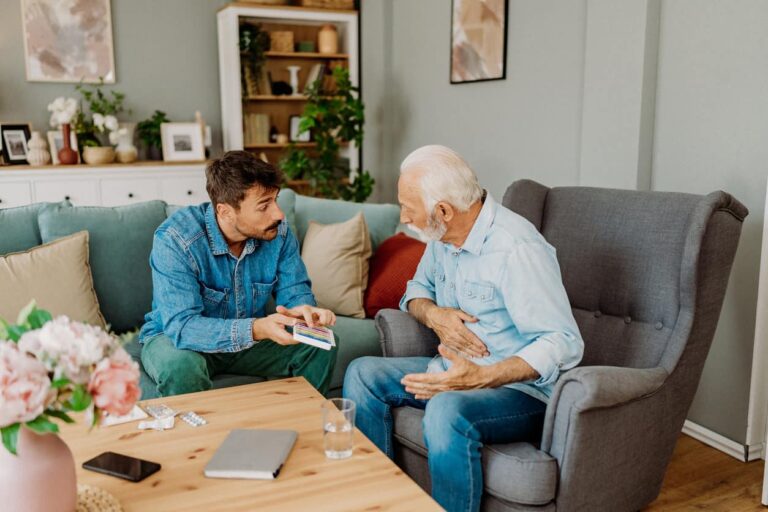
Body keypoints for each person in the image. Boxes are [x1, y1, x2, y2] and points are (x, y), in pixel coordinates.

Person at [343, 145, 584, 512]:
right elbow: (415, 292)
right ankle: (381, 501)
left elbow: (563, 342)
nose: (404, 217)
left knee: (446, 409)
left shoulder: (516, 249)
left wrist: (481, 378)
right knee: (362, 372)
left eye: (409, 208)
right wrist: (434, 315)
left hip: (520, 391)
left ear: (442, 210)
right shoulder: (442, 237)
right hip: (450, 372)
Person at [139, 150, 337, 397]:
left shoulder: (279, 233)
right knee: (180, 367)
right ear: (225, 212)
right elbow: (183, 327)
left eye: (275, 200)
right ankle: (203, 437)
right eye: (264, 205)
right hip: (178, 340)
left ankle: (300, 426)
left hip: (250, 341)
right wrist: (256, 329)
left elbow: (294, 291)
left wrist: (305, 312)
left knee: (319, 343)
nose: (278, 214)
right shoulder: (176, 240)